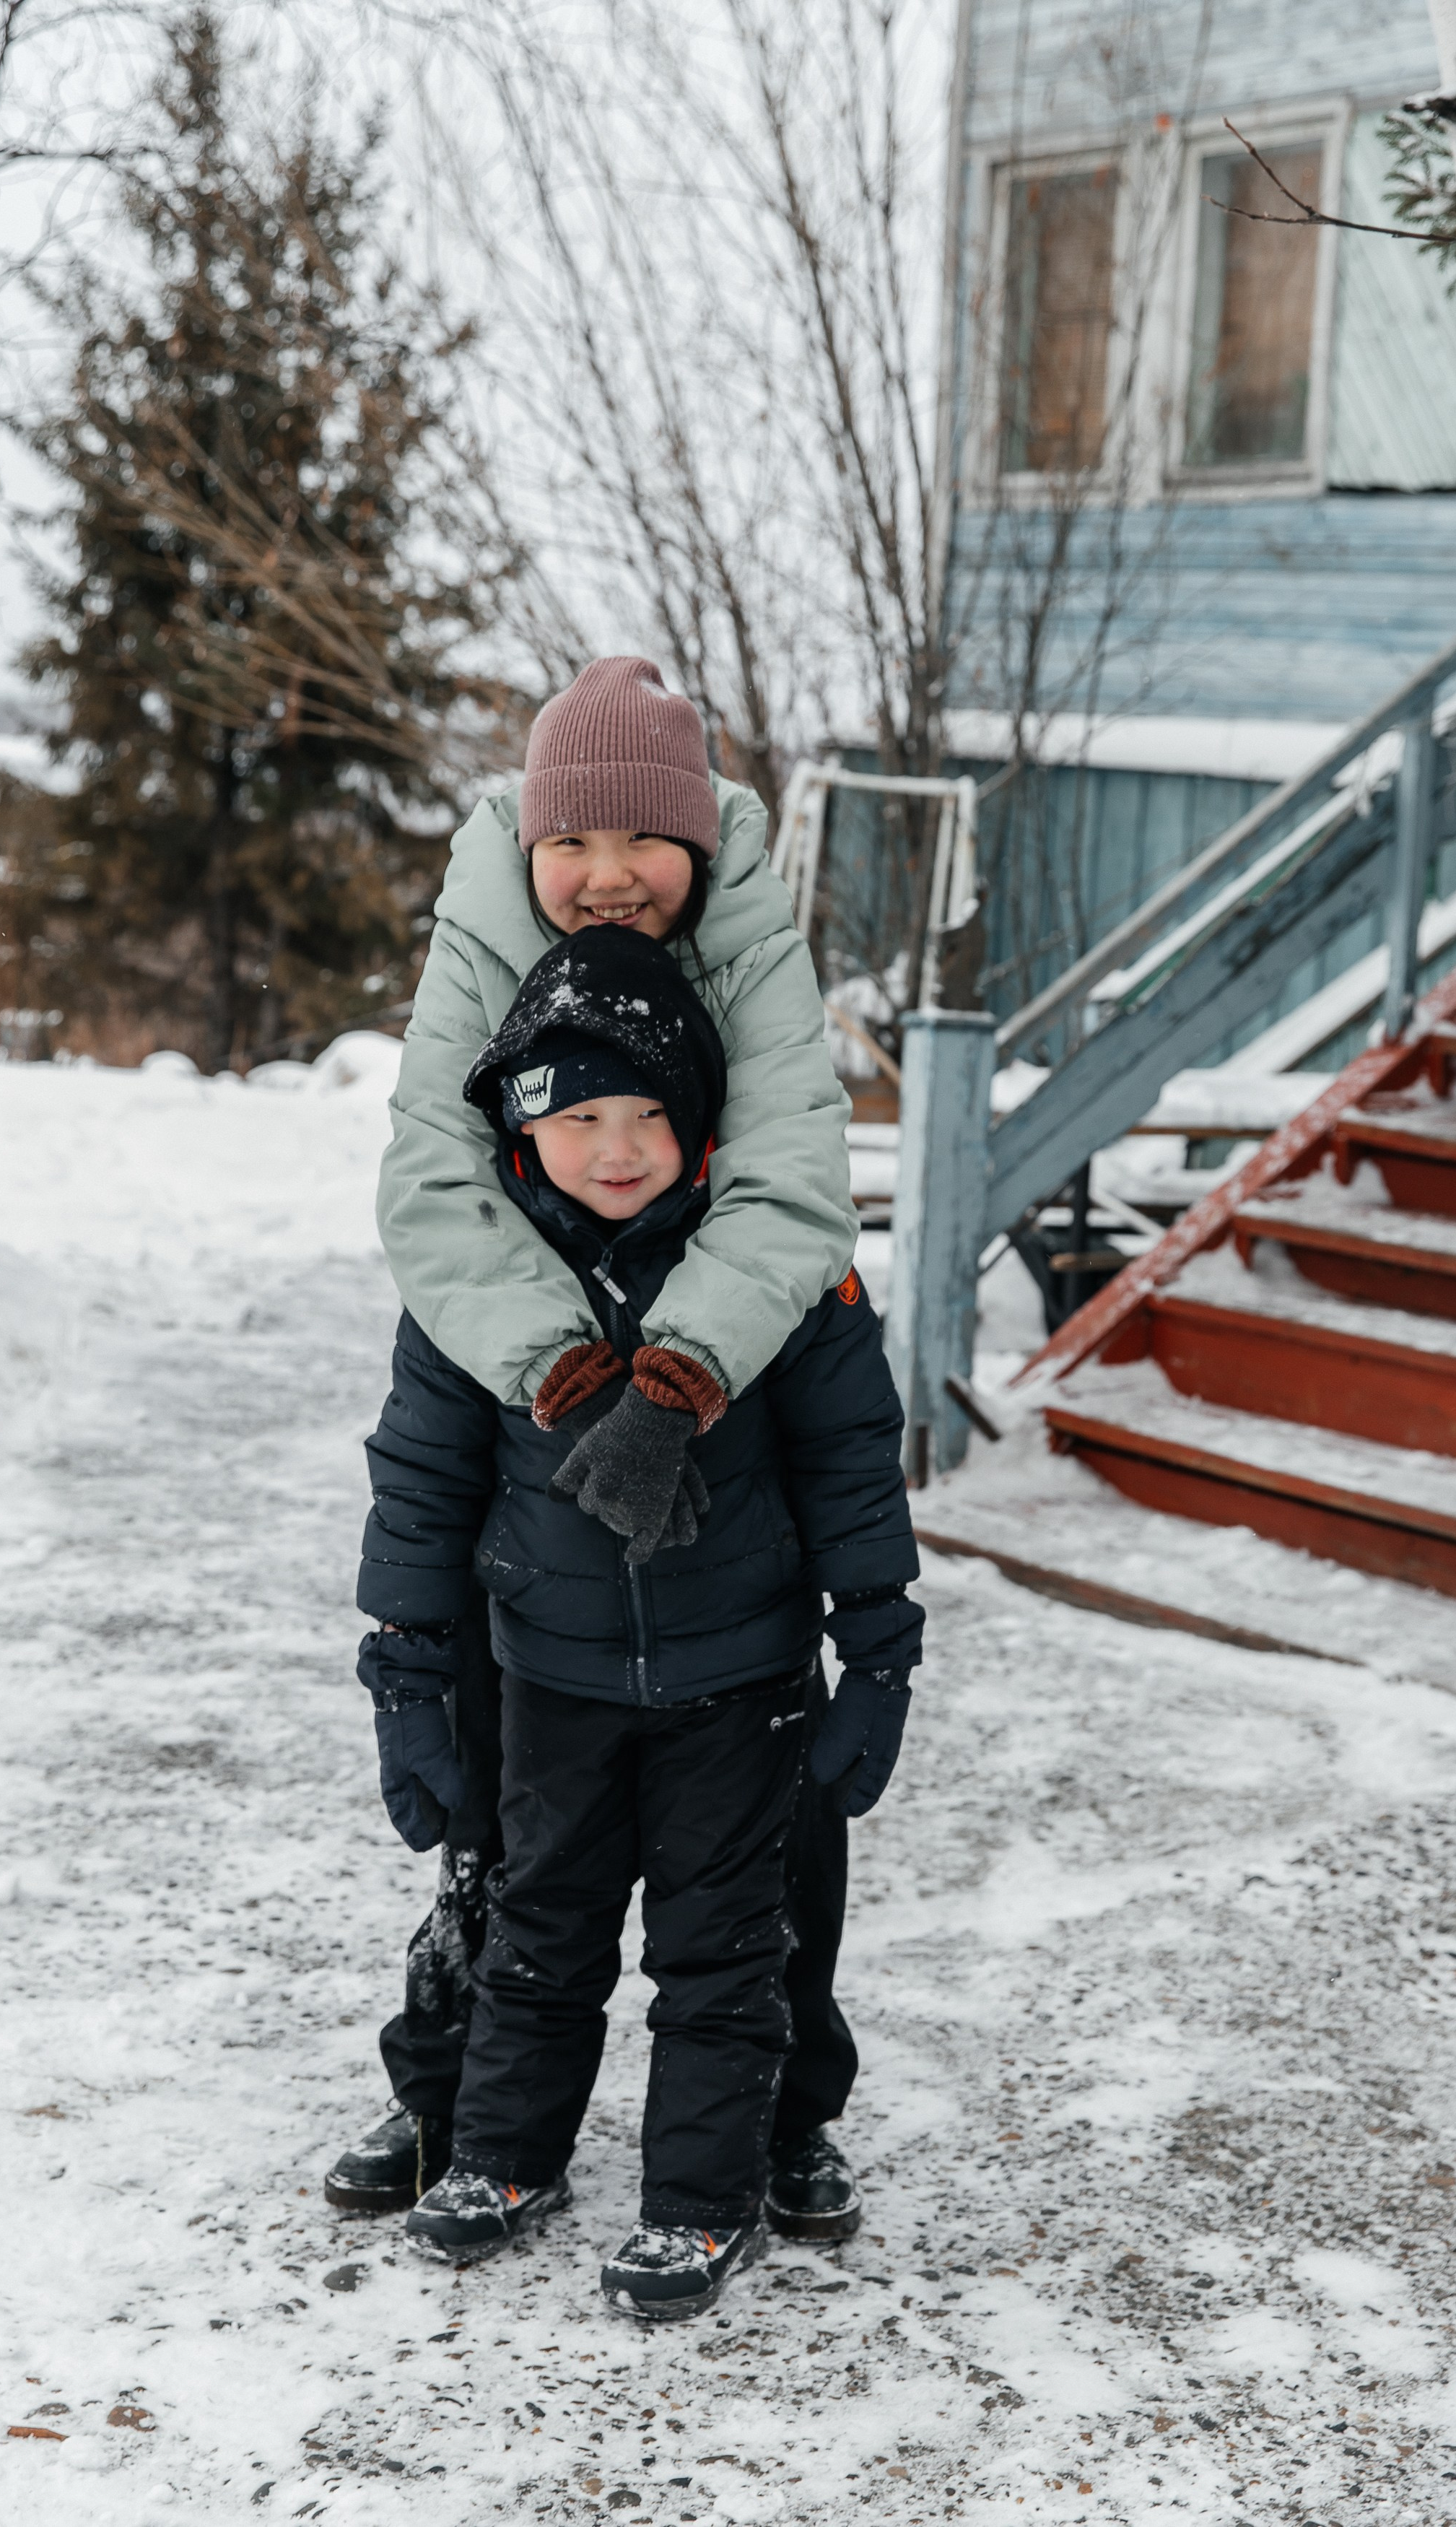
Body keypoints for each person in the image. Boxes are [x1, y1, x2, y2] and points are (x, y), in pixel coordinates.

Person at [326, 656, 878, 2237]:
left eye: (644, 846)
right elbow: (435, 1183)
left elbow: (789, 1175)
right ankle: (449, 2093)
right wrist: (571, 1377)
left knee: (767, 1831)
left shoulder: (746, 929)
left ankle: (781, 2111)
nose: (608, 876)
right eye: (575, 845)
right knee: (507, 1807)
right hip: (524, 1388)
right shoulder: (490, 916)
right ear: (530, 842)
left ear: (702, 843)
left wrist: (683, 1378)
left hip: (731, 1385)